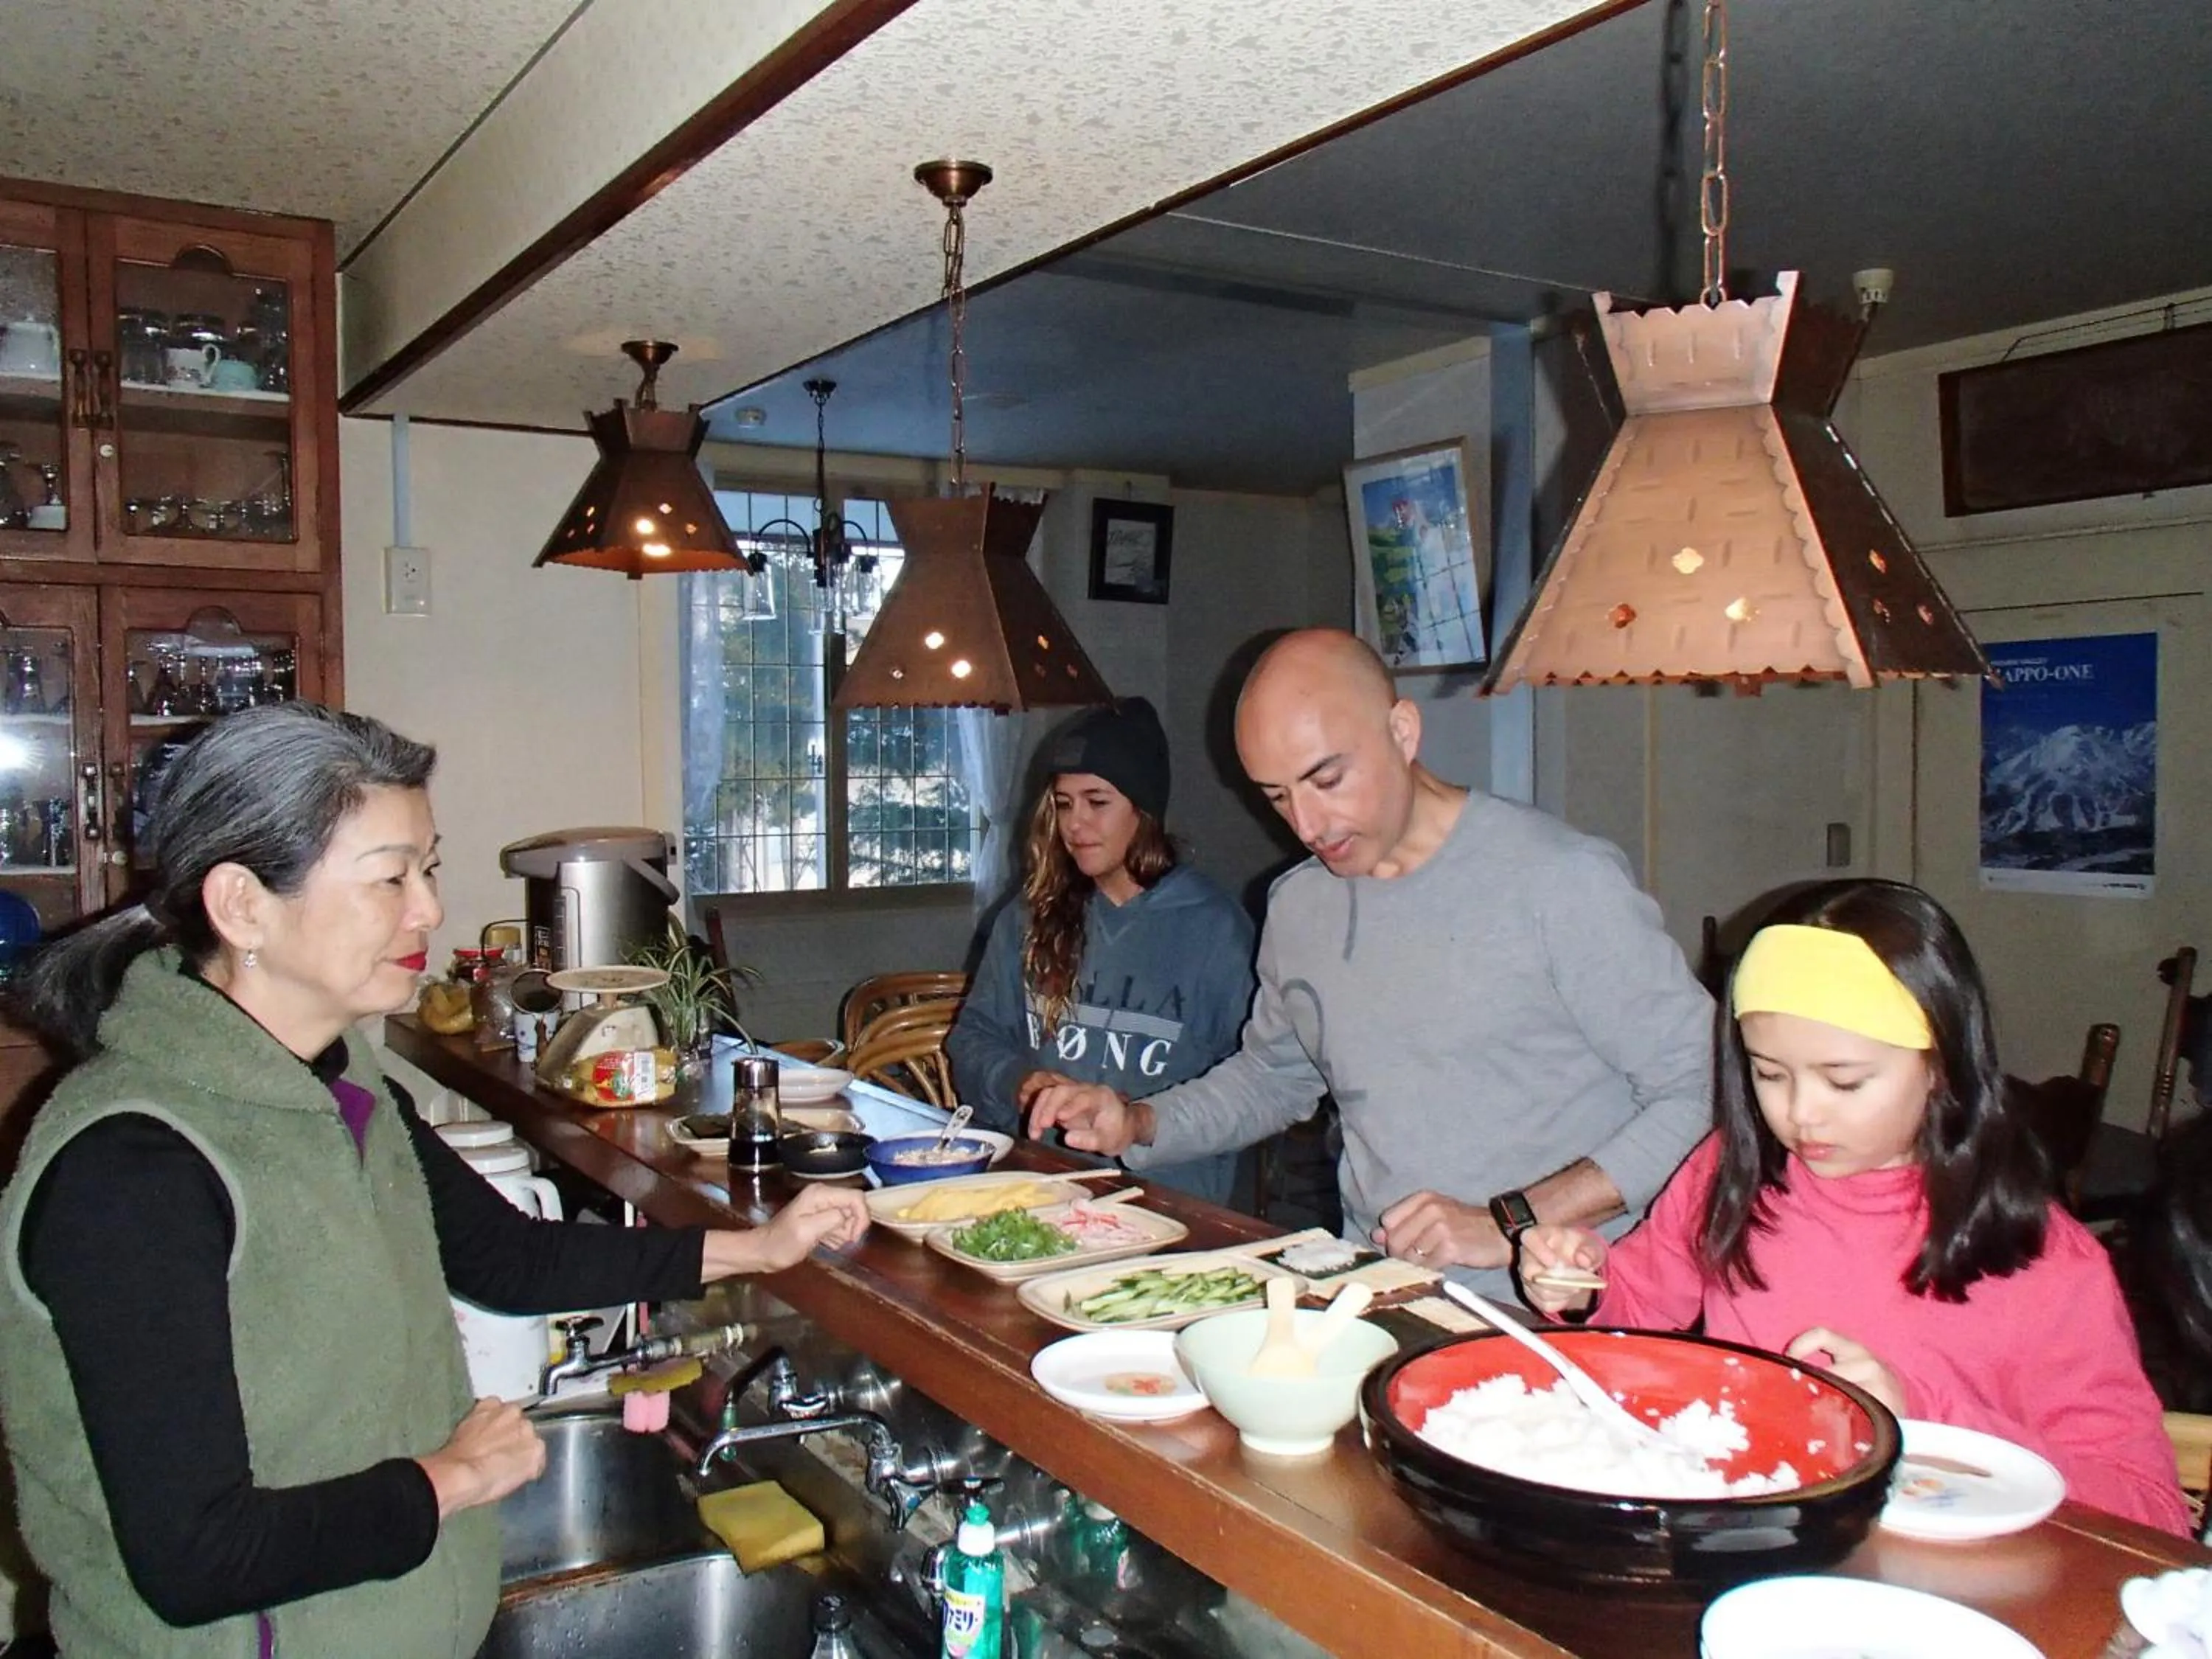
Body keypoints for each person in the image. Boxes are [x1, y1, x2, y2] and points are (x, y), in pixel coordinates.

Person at [0, 703, 870, 1658]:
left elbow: (508, 1256)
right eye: (390, 877)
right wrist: (454, 1477)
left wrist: (758, 1247)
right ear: (243, 904)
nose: (427, 910)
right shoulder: (133, 1169)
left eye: (429, 868)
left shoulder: (335, 1082)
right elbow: (197, 1558)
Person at [1029, 629, 1714, 1296]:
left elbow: (1705, 1092)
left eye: (1327, 779)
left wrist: (1513, 1221)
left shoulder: (1560, 881)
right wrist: (1140, 1122)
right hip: (1374, 1287)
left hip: (1554, 1304)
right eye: (1277, 797)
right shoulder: (1300, 906)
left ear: (1403, 732)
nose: (1307, 825)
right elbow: (1272, 1077)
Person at [1517, 878, 2192, 1536]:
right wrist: (1581, 1283)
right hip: (1750, 1533)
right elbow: (1637, 1303)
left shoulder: (2044, 1262)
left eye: (1844, 1082)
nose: (1801, 1113)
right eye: (1769, 1073)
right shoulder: (1734, 1176)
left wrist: (1921, 1418)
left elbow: (2148, 1510)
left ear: (1941, 1066)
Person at [946, 697, 1254, 1206]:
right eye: (1064, 804)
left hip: (1168, 1203)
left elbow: (1251, 1085)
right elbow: (973, 1037)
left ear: (1144, 810)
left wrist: (1141, 1118)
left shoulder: (1215, 931)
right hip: (1042, 1188)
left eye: (1097, 802)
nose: (1075, 824)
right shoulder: (1028, 917)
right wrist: (1019, 1082)